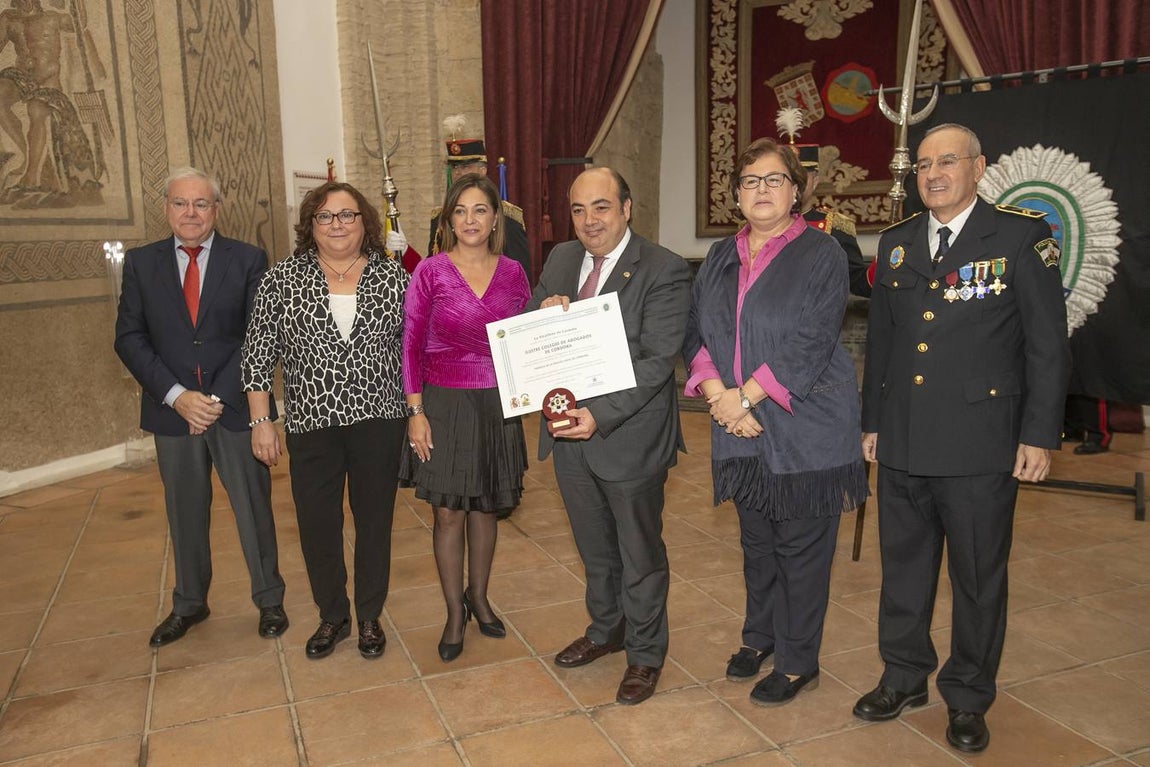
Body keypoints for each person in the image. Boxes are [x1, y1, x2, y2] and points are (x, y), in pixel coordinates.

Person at [854, 123, 1070, 753]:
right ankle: (903, 675)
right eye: (923, 165)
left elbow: (1046, 347)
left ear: (980, 168)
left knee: (977, 578)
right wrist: (872, 423)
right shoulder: (895, 245)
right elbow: (886, 347)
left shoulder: (1020, 236)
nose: (933, 174)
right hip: (904, 439)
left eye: (947, 162)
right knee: (905, 572)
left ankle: (970, 696)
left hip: (981, 443)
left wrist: (1038, 434)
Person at [683, 137, 868, 707]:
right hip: (736, 422)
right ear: (737, 194)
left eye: (773, 179)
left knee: (801, 550)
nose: (761, 190)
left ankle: (796, 660)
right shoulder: (718, 256)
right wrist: (719, 396)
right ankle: (759, 637)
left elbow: (811, 341)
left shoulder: (823, 252)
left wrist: (745, 398)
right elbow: (698, 329)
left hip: (807, 427)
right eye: (750, 181)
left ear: (795, 190)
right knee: (758, 544)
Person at [529, 167, 691, 706]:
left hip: (629, 434)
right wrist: (542, 312)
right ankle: (607, 630)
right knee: (595, 548)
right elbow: (533, 329)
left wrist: (599, 414)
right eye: (578, 209)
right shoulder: (561, 260)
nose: (589, 220)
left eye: (601, 207)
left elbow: (656, 360)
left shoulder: (664, 268)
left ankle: (645, 654)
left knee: (639, 552)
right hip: (567, 433)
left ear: (626, 207)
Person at [114, 167, 287, 647]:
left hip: (232, 408)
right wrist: (177, 396)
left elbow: (259, 333)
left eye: (201, 204)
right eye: (180, 204)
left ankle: (269, 599)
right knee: (183, 510)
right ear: (166, 208)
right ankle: (189, 603)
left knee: (253, 507)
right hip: (173, 412)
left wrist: (212, 397)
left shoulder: (249, 258)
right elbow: (129, 338)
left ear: (216, 209)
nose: (190, 213)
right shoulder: (141, 263)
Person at [242, 181, 408, 661]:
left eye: (348, 215)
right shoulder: (281, 280)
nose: (337, 225)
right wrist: (261, 420)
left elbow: (413, 354)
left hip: (380, 420)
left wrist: (418, 413)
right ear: (310, 225)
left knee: (374, 522)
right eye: (326, 216)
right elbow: (256, 357)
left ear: (365, 223)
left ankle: (370, 615)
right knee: (318, 524)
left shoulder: (393, 279)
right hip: (312, 423)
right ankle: (333, 615)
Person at [399, 173, 530, 662]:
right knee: (449, 510)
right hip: (444, 401)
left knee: (486, 506)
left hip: (496, 401)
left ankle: (480, 595)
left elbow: (524, 336)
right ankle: (455, 611)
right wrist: (415, 411)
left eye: (479, 210)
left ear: (495, 217)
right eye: (460, 211)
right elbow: (410, 345)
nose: (470, 220)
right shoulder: (430, 272)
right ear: (448, 220)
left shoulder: (514, 273)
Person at [386, 128, 531, 283]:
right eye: (455, 167)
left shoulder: (505, 216)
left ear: (483, 170)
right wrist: (405, 251)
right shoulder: (441, 217)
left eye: (466, 167)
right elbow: (431, 276)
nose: (459, 173)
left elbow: (521, 277)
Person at [793, 143, 873, 297]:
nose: (796, 183)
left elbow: (857, 282)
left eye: (802, 175)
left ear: (815, 181)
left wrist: (885, 258)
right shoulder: (761, 226)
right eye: (789, 176)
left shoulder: (834, 227)